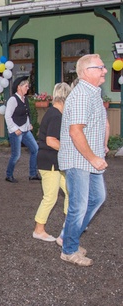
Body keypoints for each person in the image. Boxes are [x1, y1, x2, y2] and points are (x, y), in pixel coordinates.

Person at [58, 54, 109, 266]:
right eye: (101, 67)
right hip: (79, 160)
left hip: (90, 158)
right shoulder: (81, 95)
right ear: (86, 72)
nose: (105, 71)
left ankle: (68, 237)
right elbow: (75, 132)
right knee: (78, 207)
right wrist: (93, 157)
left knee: (97, 198)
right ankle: (69, 249)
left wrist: (102, 147)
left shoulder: (93, 93)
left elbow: (95, 125)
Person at [32, 83, 71, 242]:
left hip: (53, 161)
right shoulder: (56, 115)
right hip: (50, 162)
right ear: (65, 97)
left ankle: (69, 225)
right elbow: (51, 140)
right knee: (50, 197)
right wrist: (69, 149)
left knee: (70, 191)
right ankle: (38, 229)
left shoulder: (54, 113)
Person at [4, 76, 40, 183]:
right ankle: (8, 175)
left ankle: (33, 174)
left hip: (25, 130)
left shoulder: (25, 99)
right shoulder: (12, 99)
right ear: (19, 87)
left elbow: (26, 114)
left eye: (28, 86)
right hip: (16, 132)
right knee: (16, 155)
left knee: (35, 149)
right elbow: (7, 116)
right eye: (26, 86)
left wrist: (28, 125)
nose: (27, 88)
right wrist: (15, 129)